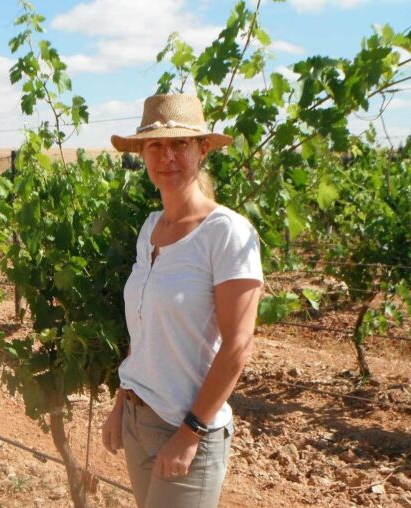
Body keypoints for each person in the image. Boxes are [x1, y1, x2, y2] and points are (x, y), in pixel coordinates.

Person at [101, 93, 263, 508]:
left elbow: (239, 345)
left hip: (187, 427)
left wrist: (190, 433)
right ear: (142, 153)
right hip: (139, 419)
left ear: (203, 149)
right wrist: (122, 400)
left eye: (180, 144)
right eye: (156, 144)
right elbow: (143, 326)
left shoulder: (227, 233)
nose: (167, 155)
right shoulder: (151, 227)